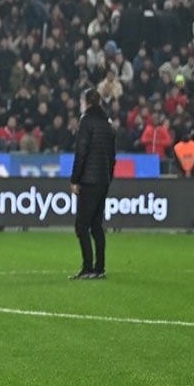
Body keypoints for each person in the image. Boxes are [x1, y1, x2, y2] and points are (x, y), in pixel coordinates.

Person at [69, 88, 116, 279]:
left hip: (89, 180)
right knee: (96, 225)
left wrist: (75, 179)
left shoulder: (86, 121)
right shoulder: (107, 123)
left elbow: (81, 152)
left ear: (86, 102)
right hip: (103, 180)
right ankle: (100, 268)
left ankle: (88, 268)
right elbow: (112, 156)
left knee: (82, 226)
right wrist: (108, 177)